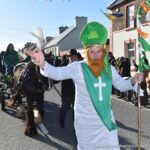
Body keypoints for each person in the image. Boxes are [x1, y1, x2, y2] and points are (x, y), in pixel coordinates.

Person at [26, 21, 143, 150]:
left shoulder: (109, 68)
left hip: (106, 122)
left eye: (98, 51)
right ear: (86, 51)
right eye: (91, 52)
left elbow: (121, 85)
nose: (95, 55)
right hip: (86, 124)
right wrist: (43, 64)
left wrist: (133, 80)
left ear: (103, 51)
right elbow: (58, 73)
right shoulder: (78, 67)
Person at [59, 49, 78, 128]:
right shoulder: (64, 64)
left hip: (77, 93)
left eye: (73, 56)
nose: (72, 57)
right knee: (64, 109)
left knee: (75, 111)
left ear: (76, 56)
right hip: (67, 93)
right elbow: (58, 72)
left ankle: (76, 127)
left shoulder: (79, 64)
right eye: (70, 56)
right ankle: (61, 118)